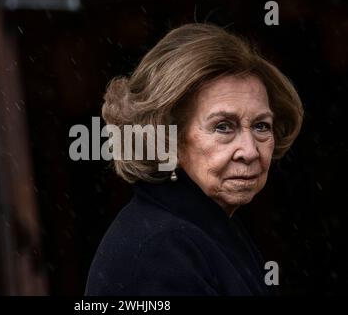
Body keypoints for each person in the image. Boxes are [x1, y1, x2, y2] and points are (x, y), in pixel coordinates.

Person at [85, 23, 303, 295]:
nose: (250, 151)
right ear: (167, 138)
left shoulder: (204, 227)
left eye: (261, 126)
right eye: (223, 126)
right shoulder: (162, 249)